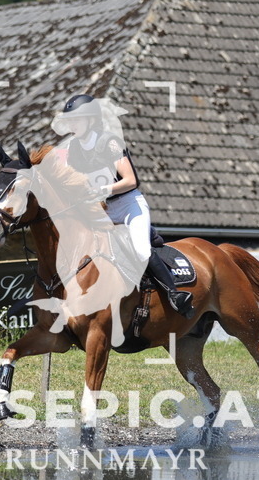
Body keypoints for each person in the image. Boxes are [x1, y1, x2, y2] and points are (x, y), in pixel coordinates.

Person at [51, 94, 193, 317]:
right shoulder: (74, 150)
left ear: (90, 120)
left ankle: (175, 295)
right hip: (102, 210)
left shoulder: (109, 142)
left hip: (128, 205)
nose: (71, 124)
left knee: (141, 249)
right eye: (70, 120)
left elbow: (130, 180)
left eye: (76, 119)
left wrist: (103, 190)